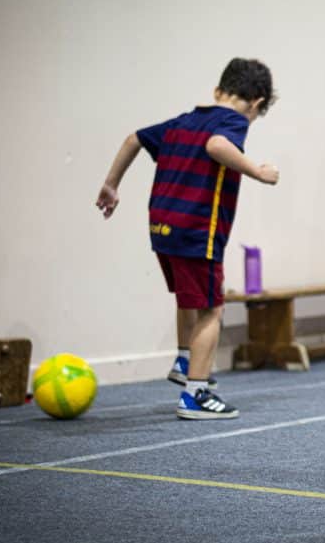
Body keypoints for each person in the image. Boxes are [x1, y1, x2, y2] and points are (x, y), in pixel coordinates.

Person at [96, 58, 280, 419]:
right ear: (257, 104)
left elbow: (134, 138)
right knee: (212, 308)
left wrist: (111, 183)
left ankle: (184, 361)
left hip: (162, 227)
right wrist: (257, 171)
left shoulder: (183, 120)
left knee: (188, 299)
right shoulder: (231, 121)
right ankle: (195, 395)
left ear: (217, 90)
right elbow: (216, 146)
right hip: (197, 230)